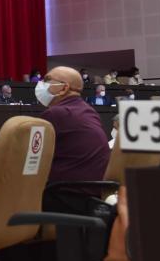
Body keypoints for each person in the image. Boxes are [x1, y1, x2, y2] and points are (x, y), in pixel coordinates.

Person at [36, 66, 111, 214]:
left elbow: (28, 157)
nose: (40, 85)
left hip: (64, 197)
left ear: (64, 88)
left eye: (47, 81)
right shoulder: (89, 111)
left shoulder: (56, 113)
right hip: (92, 197)